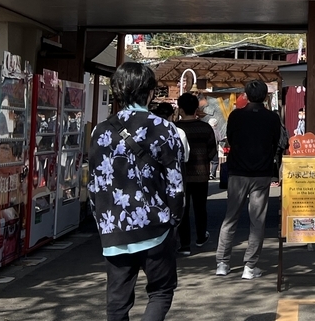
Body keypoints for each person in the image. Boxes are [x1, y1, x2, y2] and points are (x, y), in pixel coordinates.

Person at [88, 63, 185, 321]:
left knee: (117, 303)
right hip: (155, 226)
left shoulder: (100, 131)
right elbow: (175, 184)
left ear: (118, 91)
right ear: (150, 92)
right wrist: (175, 219)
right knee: (161, 291)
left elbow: (93, 183)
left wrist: (102, 222)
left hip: (114, 228)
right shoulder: (164, 128)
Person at [215, 79, 281, 280]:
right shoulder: (272, 118)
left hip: (237, 172)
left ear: (246, 95)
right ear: (265, 96)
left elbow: (231, 139)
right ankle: (250, 267)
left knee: (230, 218)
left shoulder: (236, 116)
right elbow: (275, 142)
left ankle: (222, 263)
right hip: (261, 173)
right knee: (257, 221)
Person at [173, 92, 216, 256]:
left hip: (181, 176)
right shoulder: (205, 128)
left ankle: (184, 244)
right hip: (201, 174)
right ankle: (200, 237)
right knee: (200, 207)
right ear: (196, 109)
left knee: (183, 208)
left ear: (181, 109)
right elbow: (212, 151)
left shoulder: (175, 128)